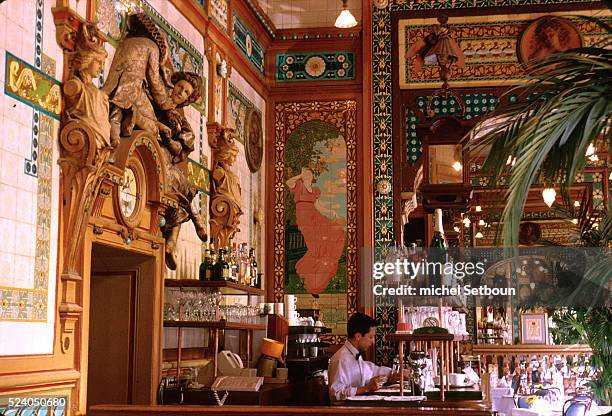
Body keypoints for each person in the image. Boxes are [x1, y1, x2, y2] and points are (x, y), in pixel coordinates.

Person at [101, 13, 172, 144]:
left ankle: (114, 134)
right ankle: (119, 131)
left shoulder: (125, 43)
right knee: (151, 124)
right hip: (133, 87)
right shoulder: (153, 47)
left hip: (111, 86)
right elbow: (154, 79)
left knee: (117, 110)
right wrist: (165, 103)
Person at [286, 167, 345, 294]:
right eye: (305, 173)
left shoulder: (315, 190)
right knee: (318, 242)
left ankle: (327, 260)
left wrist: (331, 211)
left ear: (313, 176)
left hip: (315, 215)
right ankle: (317, 270)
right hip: (304, 217)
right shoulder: (299, 185)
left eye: (309, 173)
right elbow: (288, 182)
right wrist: (299, 175)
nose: (307, 175)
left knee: (337, 230)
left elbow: (319, 207)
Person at [328, 313, 399, 402]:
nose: (373, 342)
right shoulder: (341, 359)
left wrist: (393, 373)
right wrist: (366, 389)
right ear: (358, 336)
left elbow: (371, 370)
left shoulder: (355, 354)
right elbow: (335, 393)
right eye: (370, 337)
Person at [63, 23, 113, 150]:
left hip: (100, 144)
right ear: (88, 59)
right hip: (87, 138)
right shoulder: (77, 86)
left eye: (102, 63)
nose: (101, 68)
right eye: (98, 62)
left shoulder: (97, 92)